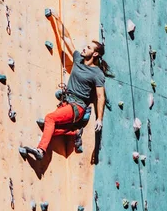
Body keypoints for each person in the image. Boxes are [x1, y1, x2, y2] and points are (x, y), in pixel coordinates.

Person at [21, 13, 114, 160]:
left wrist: (99, 119)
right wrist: (56, 19)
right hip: (67, 102)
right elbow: (66, 38)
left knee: (49, 119)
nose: (84, 48)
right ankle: (75, 133)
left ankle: (41, 151)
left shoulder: (97, 73)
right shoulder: (78, 59)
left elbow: (101, 96)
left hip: (77, 106)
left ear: (95, 53)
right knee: (50, 126)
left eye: (88, 47)